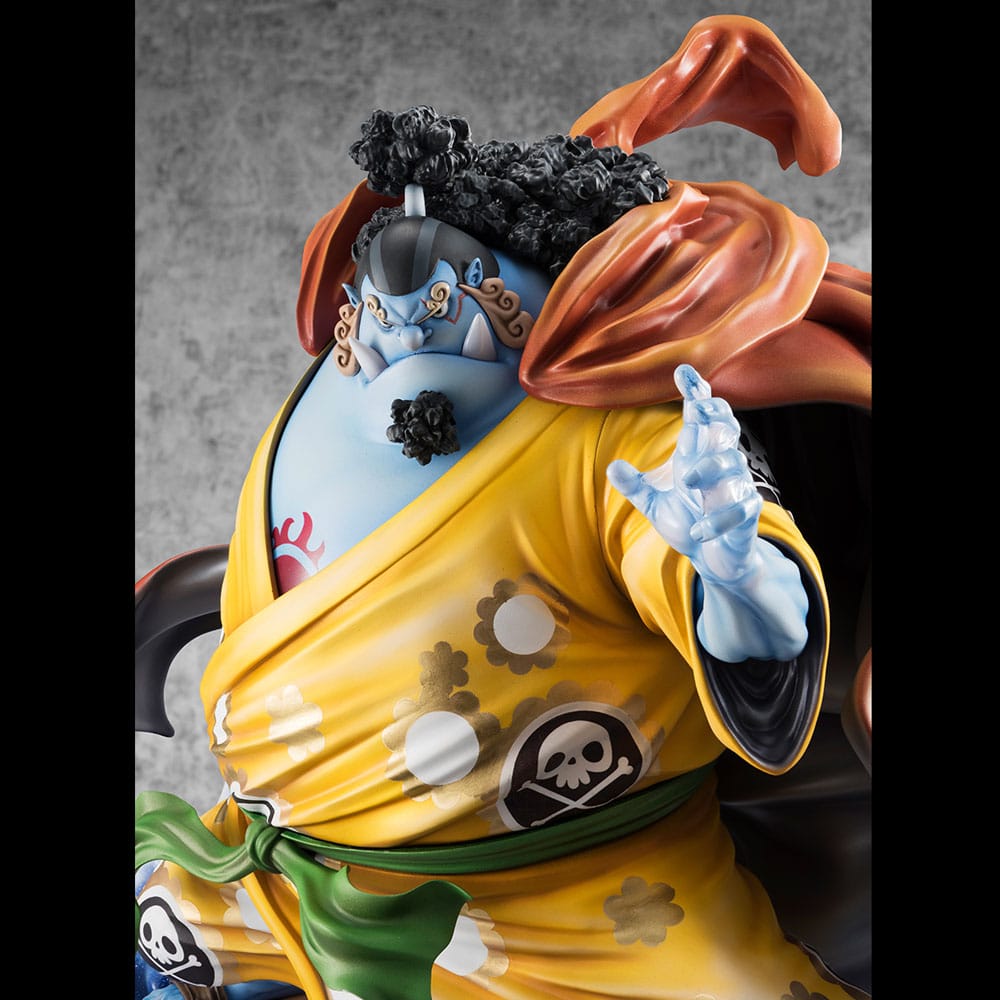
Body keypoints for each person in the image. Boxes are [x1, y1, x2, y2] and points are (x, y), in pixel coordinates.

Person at [135, 15, 871, 1000]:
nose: (405, 339)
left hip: (580, 921)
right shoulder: (316, 401)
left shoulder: (619, 436)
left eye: (450, 308)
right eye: (381, 319)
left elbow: (751, 625)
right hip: (274, 892)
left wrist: (737, 574)